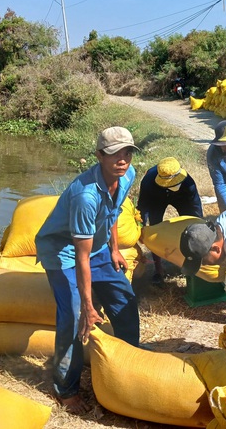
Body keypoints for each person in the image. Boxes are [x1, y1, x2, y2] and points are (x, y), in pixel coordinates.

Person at [36, 127, 140, 414]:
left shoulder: (127, 176)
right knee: (72, 315)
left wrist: (115, 249)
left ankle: (130, 362)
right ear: (98, 156)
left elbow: (115, 212)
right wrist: (87, 304)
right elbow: (80, 257)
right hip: (64, 251)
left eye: (127, 153)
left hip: (99, 246)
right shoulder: (85, 195)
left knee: (125, 300)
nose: (122, 160)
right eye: (114, 154)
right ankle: (65, 389)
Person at [137, 157, 203, 283]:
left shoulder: (188, 183)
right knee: (154, 231)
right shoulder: (148, 183)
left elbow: (195, 210)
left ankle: (191, 265)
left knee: (192, 229)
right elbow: (143, 207)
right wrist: (141, 227)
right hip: (157, 198)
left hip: (181, 198)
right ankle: (158, 270)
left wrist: (200, 227)